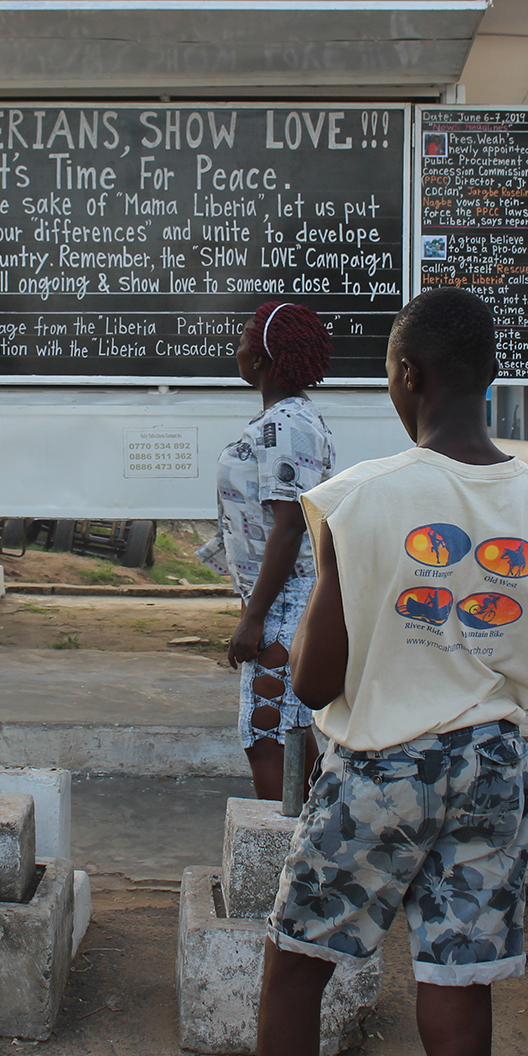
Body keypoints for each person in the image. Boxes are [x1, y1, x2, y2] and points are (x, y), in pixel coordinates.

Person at [256, 288, 528, 1056]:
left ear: (408, 375)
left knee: (297, 961)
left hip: (383, 769)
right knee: (456, 976)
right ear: (493, 374)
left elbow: (311, 683)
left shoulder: (358, 498)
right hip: (495, 770)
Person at [216, 300, 336, 799]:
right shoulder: (286, 420)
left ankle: (278, 862)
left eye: (246, 336)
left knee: (267, 731)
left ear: (265, 355)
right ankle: (314, 845)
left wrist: (255, 617)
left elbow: (290, 526)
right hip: (281, 597)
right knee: (286, 728)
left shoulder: (286, 425)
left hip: (286, 599)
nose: (238, 346)